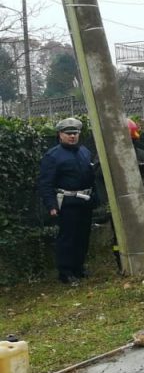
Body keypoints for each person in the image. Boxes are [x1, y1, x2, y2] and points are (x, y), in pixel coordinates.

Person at [37, 117, 98, 284]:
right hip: (67, 204)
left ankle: (78, 267)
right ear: (60, 135)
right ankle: (66, 272)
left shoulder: (85, 152)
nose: (72, 136)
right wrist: (51, 205)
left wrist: (96, 199)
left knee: (82, 237)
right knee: (67, 238)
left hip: (85, 201)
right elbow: (45, 182)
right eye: (68, 133)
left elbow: (92, 177)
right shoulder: (53, 156)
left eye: (75, 133)